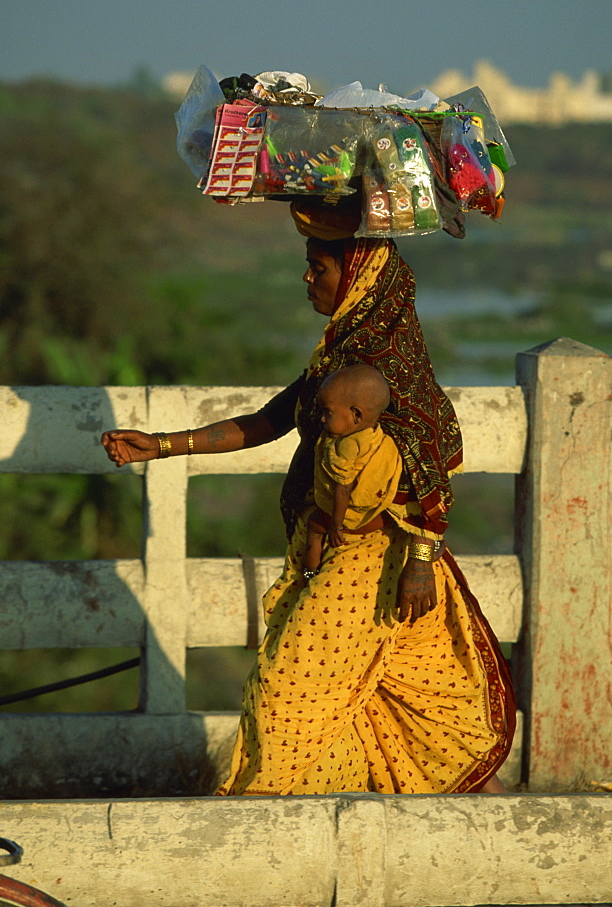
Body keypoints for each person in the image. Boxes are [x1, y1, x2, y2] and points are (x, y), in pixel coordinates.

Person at [101, 201, 516, 796]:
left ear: (357, 280)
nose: (307, 279)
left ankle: (271, 831)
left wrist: (421, 563)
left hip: (375, 565)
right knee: (384, 711)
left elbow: (432, 467)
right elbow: (271, 420)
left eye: (317, 267)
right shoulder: (340, 359)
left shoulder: (385, 372)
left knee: (284, 693)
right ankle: (463, 835)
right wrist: (164, 445)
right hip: (334, 557)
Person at [303, 364, 401, 577]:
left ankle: (309, 573)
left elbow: (343, 489)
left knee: (313, 525)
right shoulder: (377, 435)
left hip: (346, 513)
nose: (321, 419)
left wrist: (336, 525)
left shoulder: (346, 445)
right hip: (372, 509)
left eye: (327, 413)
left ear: (356, 414)